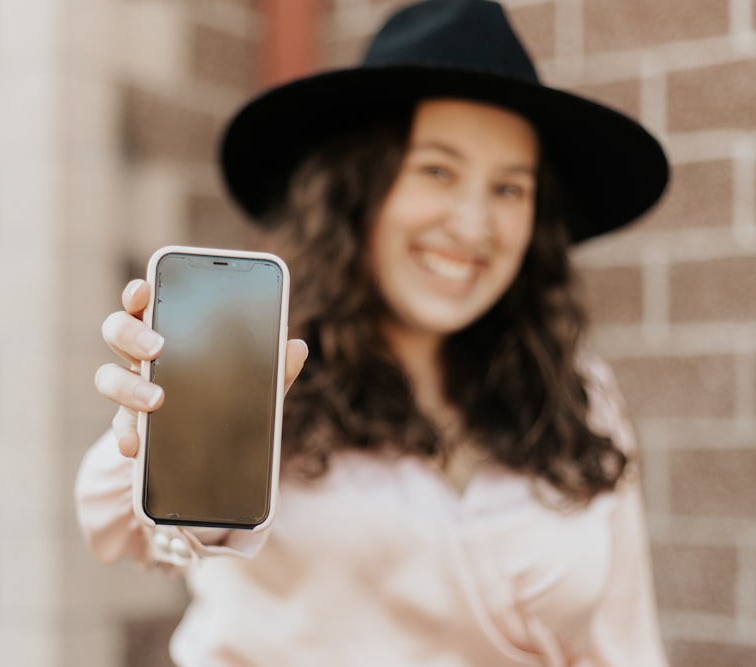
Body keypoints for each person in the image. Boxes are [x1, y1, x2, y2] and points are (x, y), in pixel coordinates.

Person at [80, 0, 671, 664]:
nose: (474, 225)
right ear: (358, 189)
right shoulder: (268, 362)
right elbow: (119, 526)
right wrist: (157, 428)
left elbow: (624, 638)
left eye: (510, 189)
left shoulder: (577, 388)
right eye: (437, 171)